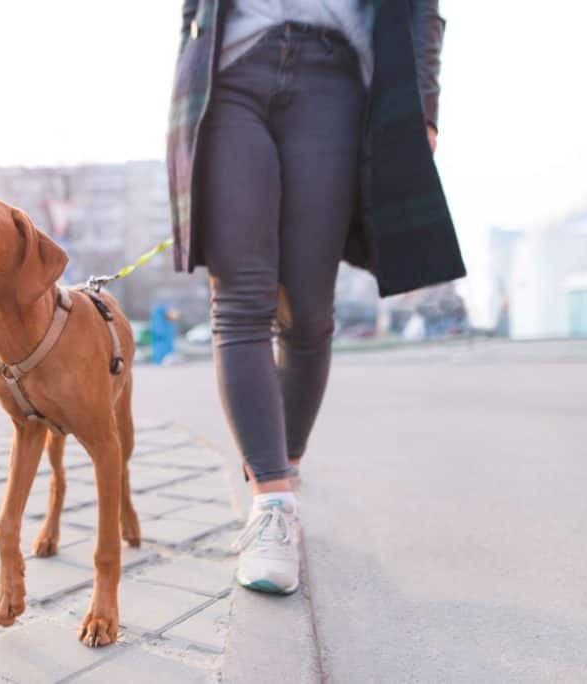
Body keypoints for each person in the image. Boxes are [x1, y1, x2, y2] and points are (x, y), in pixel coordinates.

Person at [166, 1, 466, 594]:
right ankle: (272, 504)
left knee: (307, 312)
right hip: (229, 73)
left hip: (336, 79)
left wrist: (425, 108)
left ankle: (287, 469)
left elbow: (422, 9)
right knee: (241, 297)